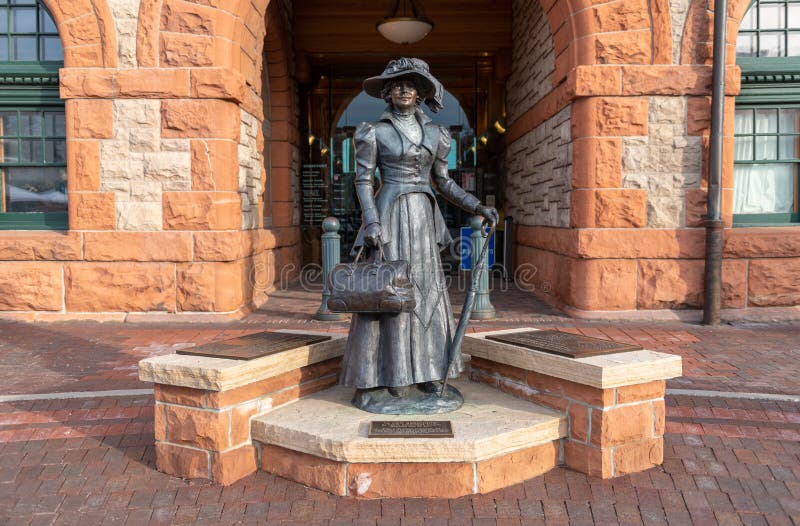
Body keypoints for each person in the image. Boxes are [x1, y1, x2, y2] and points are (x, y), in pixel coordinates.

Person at [340, 58, 499, 413]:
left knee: (426, 294)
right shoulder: (372, 131)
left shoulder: (436, 134)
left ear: (422, 92)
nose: (404, 89)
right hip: (390, 216)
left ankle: (427, 371)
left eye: (411, 84)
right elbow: (363, 181)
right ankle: (393, 376)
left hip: (425, 221)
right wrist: (372, 223)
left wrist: (477, 206)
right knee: (391, 294)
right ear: (387, 91)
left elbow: (443, 183)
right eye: (397, 84)